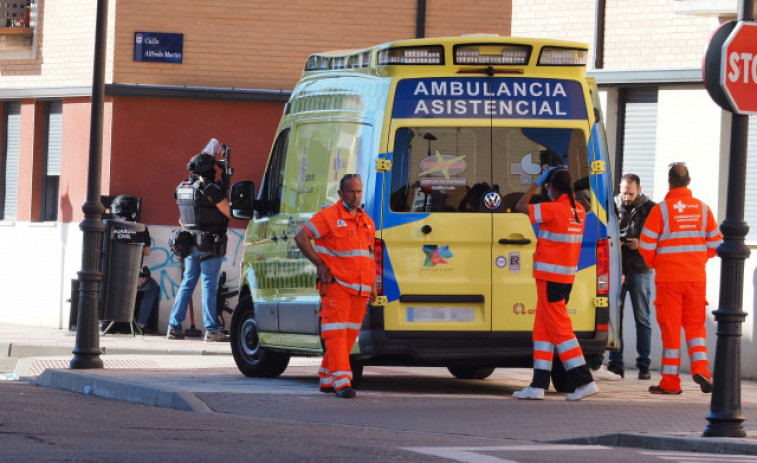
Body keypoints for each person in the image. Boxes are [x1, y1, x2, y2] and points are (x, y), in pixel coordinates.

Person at [511, 167, 599, 401]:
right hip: (564, 278)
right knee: (543, 330)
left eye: (548, 186)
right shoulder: (578, 209)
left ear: (551, 188)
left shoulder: (552, 209)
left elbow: (520, 206)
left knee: (560, 330)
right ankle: (538, 385)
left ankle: (584, 380)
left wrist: (535, 182)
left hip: (549, 279)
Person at [639, 162, 721, 394]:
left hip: (669, 280)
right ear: (689, 182)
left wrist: (659, 263)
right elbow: (715, 245)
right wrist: (696, 260)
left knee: (671, 330)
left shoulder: (661, 210)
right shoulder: (703, 209)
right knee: (695, 327)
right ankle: (702, 370)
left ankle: (670, 383)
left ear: (669, 182)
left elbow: (645, 247)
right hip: (696, 278)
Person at [294, 174, 376, 399]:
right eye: (351, 191)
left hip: (360, 289)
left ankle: (327, 378)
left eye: (359, 191)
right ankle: (342, 381)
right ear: (340, 194)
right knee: (336, 334)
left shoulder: (367, 222)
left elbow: (369, 256)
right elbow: (301, 237)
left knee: (348, 336)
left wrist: (372, 286)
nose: (356, 196)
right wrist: (320, 264)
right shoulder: (328, 216)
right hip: (336, 285)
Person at [589, 174, 656, 380]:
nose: (626, 197)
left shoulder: (651, 208)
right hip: (617, 270)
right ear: (620, 188)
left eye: (631, 193)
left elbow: (658, 238)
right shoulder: (612, 206)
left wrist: (641, 243)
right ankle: (616, 364)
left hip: (641, 269)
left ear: (639, 189)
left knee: (642, 319)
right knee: (615, 318)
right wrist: (614, 242)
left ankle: (643, 365)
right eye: (624, 192)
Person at [166, 139, 232, 342]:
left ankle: (173, 327)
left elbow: (182, 218)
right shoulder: (210, 189)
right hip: (210, 243)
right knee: (209, 286)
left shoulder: (183, 187)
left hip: (189, 242)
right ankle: (212, 330)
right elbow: (228, 212)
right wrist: (224, 186)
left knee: (187, 284)